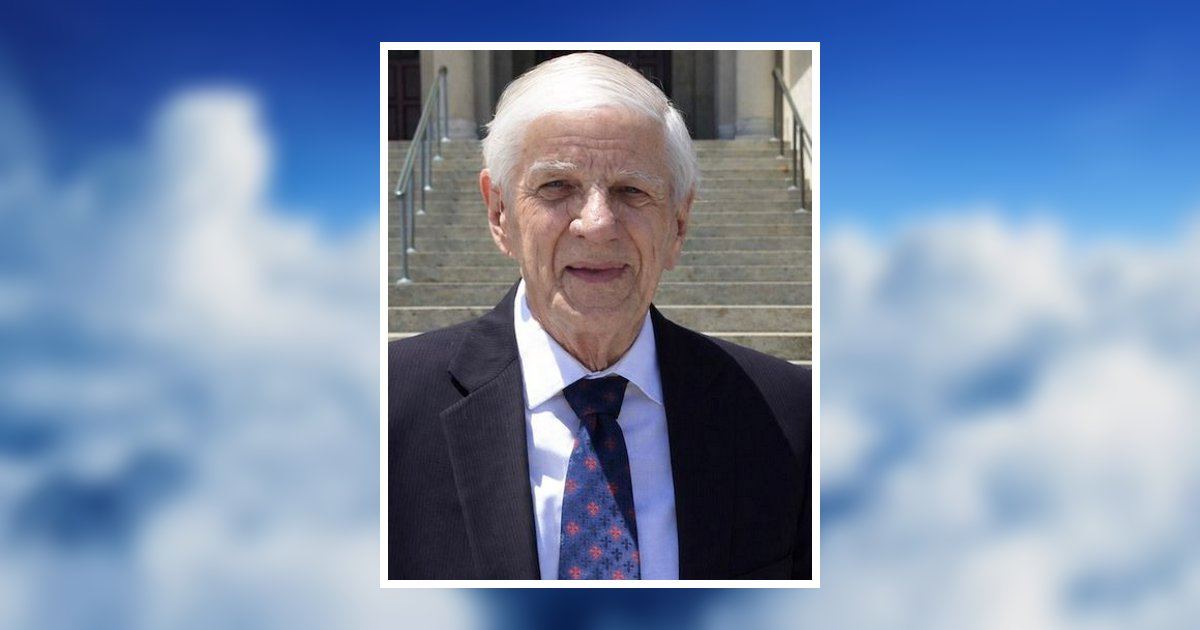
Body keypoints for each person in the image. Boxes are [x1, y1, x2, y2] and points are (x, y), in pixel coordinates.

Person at [388, 52, 811, 580]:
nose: (597, 224)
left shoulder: (793, 417)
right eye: (556, 186)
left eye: (631, 190)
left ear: (679, 223)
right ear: (499, 213)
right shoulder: (386, 407)